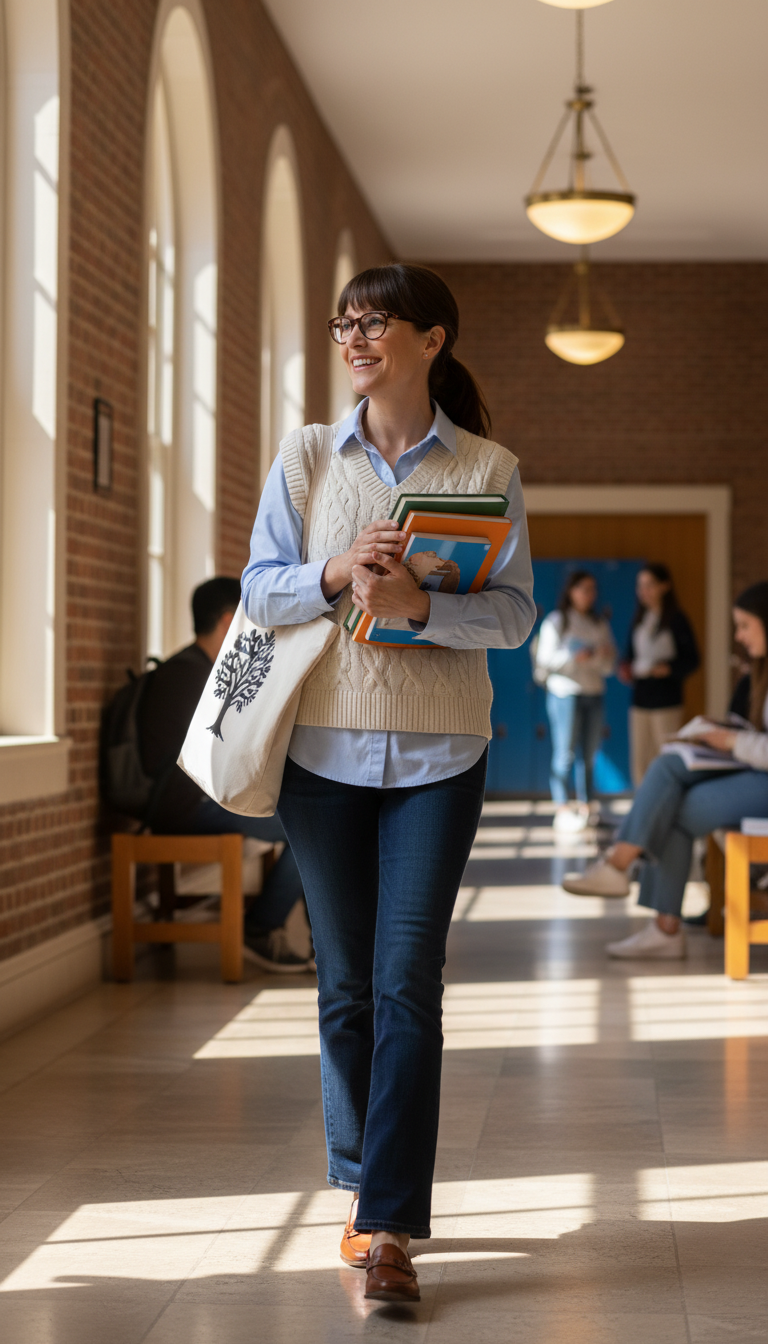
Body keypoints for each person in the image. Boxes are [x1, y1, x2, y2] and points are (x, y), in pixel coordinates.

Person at [241, 264, 535, 1301]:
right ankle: (366, 1187)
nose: (356, 338)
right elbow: (260, 589)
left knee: (408, 981)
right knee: (345, 984)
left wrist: (418, 609)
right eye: (345, 324)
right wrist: (335, 575)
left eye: (377, 323)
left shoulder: (490, 468)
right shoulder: (308, 457)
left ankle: (390, 1229)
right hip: (319, 755)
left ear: (432, 339)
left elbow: (512, 616)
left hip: (440, 758)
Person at [561, 582, 768, 960]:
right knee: (670, 762)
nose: (738, 637)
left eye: (745, 626)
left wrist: (730, 742)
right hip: (756, 774)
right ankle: (645, 902)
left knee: (670, 803)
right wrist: (721, 733)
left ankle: (638, 890)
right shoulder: (759, 674)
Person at [139, 576, 311, 973]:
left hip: (197, 796)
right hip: (185, 805)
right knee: (305, 829)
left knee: (307, 820)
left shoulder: (195, 669)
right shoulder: (190, 676)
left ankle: (318, 942)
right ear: (229, 619)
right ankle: (260, 928)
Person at [535, 571, 616, 833]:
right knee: (565, 752)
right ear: (571, 590)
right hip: (565, 694)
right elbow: (545, 662)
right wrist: (574, 659)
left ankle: (587, 806)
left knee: (590, 754)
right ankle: (562, 808)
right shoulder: (557, 621)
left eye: (593, 589)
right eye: (583, 589)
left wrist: (601, 656)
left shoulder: (599, 624)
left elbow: (609, 666)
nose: (589, 595)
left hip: (594, 692)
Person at [619, 563, 700, 785]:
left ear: (665, 586)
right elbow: (629, 656)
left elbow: (693, 660)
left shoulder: (676, 619)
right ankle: (643, 808)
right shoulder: (639, 619)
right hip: (640, 698)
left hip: (666, 699)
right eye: (640, 586)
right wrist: (625, 669)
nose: (644, 591)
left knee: (664, 757)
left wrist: (668, 668)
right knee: (640, 760)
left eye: (650, 585)